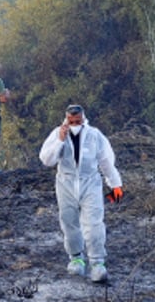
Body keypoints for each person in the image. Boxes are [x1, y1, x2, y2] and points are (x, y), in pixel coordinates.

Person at [38, 104, 123, 283]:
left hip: (90, 182)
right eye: (72, 121)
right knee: (69, 222)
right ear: (66, 119)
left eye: (78, 121)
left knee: (93, 223)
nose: (75, 124)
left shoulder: (95, 135)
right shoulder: (57, 134)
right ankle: (76, 258)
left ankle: (97, 263)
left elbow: (106, 161)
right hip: (65, 182)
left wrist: (115, 185)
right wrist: (60, 140)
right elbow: (47, 160)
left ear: (83, 118)